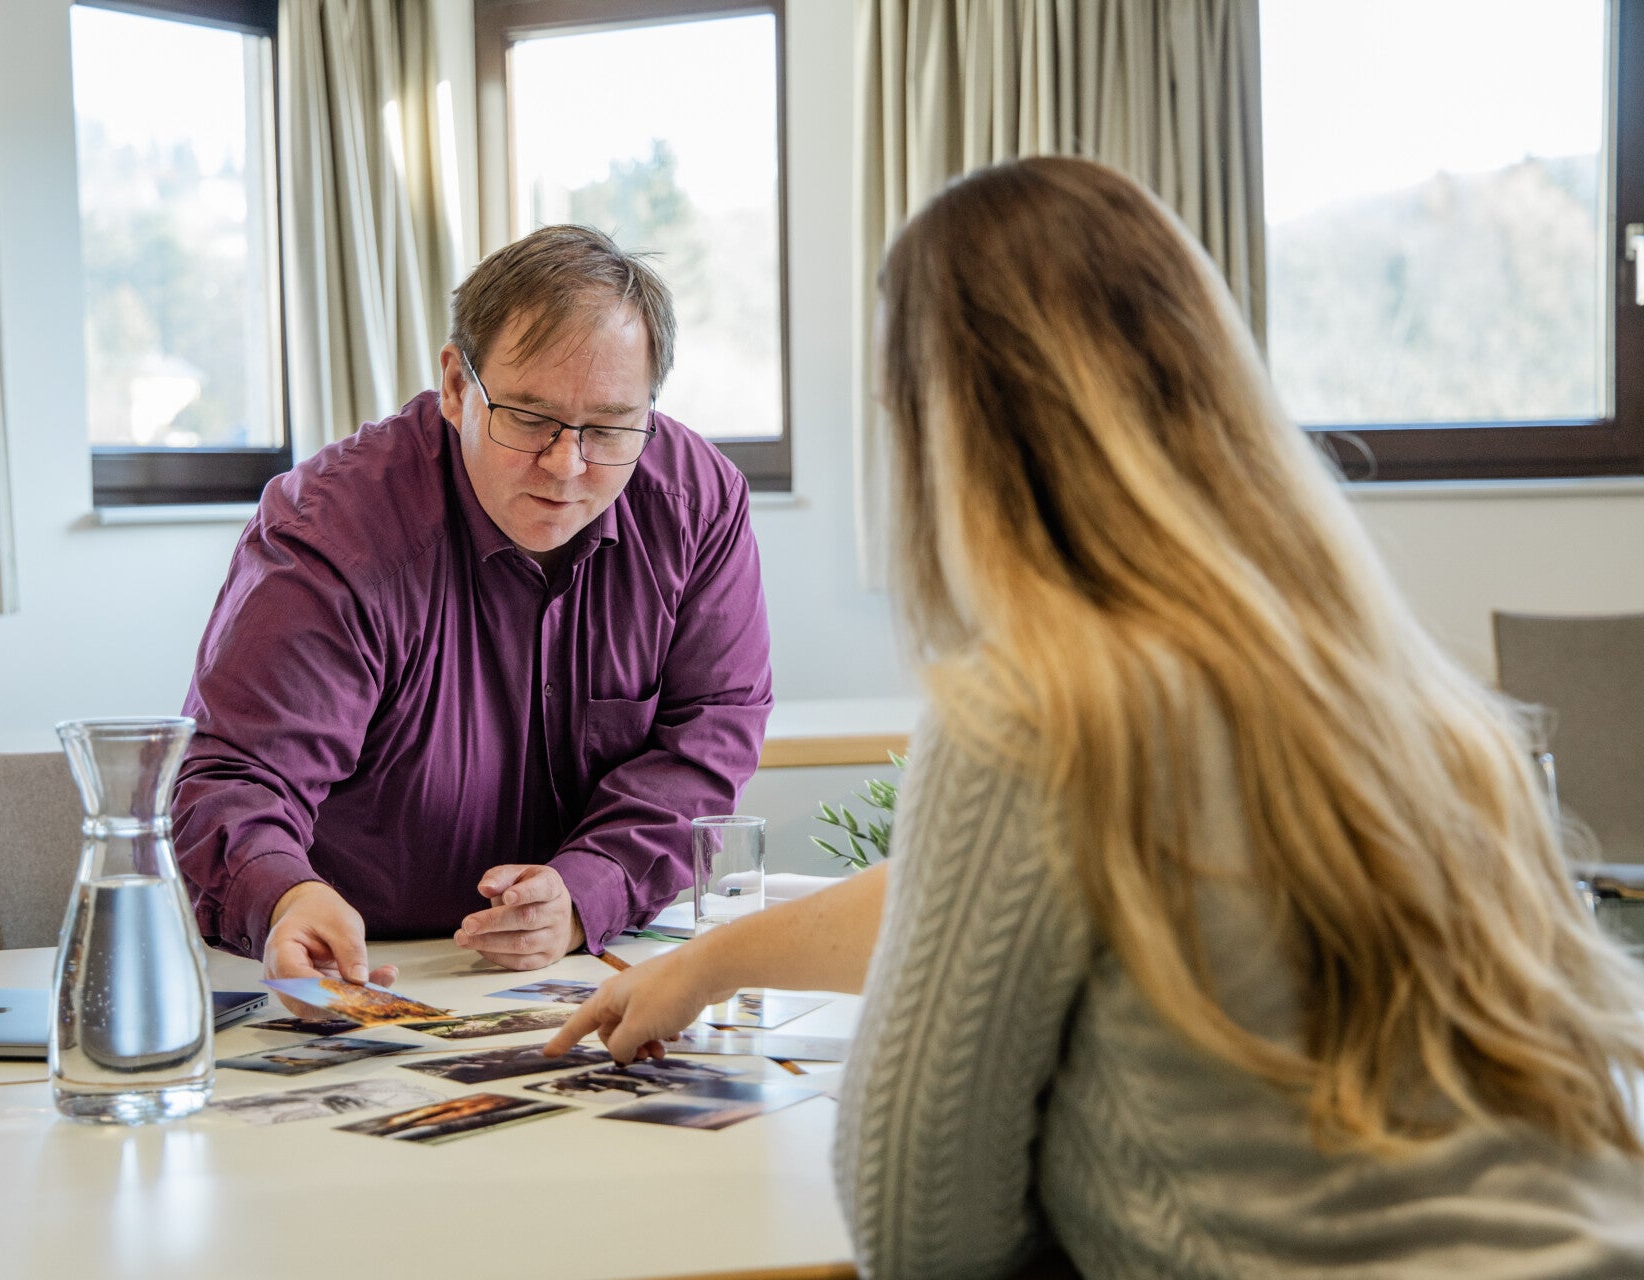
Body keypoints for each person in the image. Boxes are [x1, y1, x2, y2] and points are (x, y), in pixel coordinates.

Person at [549, 158, 1644, 1277]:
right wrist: (718, 959)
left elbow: (923, 1237)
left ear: (958, 438)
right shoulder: (1385, 686)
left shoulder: (1036, 711)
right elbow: (994, 887)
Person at [172, 225, 772, 1000]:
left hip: (583, 966)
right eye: (530, 418)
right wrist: (285, 896)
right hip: (351, 969)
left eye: (609, 427)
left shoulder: (697, 504)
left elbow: (709, 734)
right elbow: (237, 774)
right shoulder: (333, 530)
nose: (567, 465)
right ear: (457, 387)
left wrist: (587, 890)